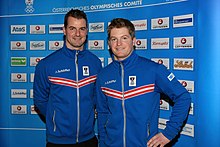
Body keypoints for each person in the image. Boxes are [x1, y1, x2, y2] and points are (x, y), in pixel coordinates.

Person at [95, 18, 191, 147]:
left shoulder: (153, 70)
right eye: (114, 39)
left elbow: (183, 97)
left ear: (133, 41)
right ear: (108, 43)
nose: (119, 43)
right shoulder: (103, 75)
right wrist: (102, 143)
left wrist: (168, 133)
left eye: (124, 38)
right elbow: (102, 113)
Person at [33, 9, 102, 147]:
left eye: (82, 29)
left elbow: (96, 97)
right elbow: (40, 100)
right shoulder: (47, 64)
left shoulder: (95, 62)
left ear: (87, 31)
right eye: (72, 28)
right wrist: (56, 119)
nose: (77, 34)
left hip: (88, 139)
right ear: (64, 30)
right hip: (58, 141)